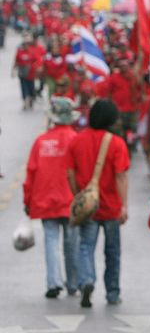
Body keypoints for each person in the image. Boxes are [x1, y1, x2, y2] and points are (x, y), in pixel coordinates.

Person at [66, 99, 130, 308]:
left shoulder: (76, 141)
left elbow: (70, 173)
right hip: (111, 206)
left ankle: (86, 281)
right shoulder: (117, 143)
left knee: (86, 246)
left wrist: (80, 195)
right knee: (112, 251)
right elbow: (121, 176)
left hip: (89, 207)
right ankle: (112, 293)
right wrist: (124, 205)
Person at [23, 97, 79, 298]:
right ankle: (74, 283)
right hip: (71, 200)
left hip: (45, 199)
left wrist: (27, 201)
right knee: (72, 243)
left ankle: (53, 282)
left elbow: (30, 172)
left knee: (51, 241)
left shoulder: (41, 141)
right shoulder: (76, 139)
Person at [13, 34, 39, 110]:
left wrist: (34, 67)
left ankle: (31, 98)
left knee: (31, 87)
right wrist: (14, 70)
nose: (26, 46)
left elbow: (37, 60)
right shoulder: (20, 51)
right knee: (23, 87)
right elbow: (16, 61)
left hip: (31, 73)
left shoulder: (32, 51)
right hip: (22, 73)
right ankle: (25, 100)